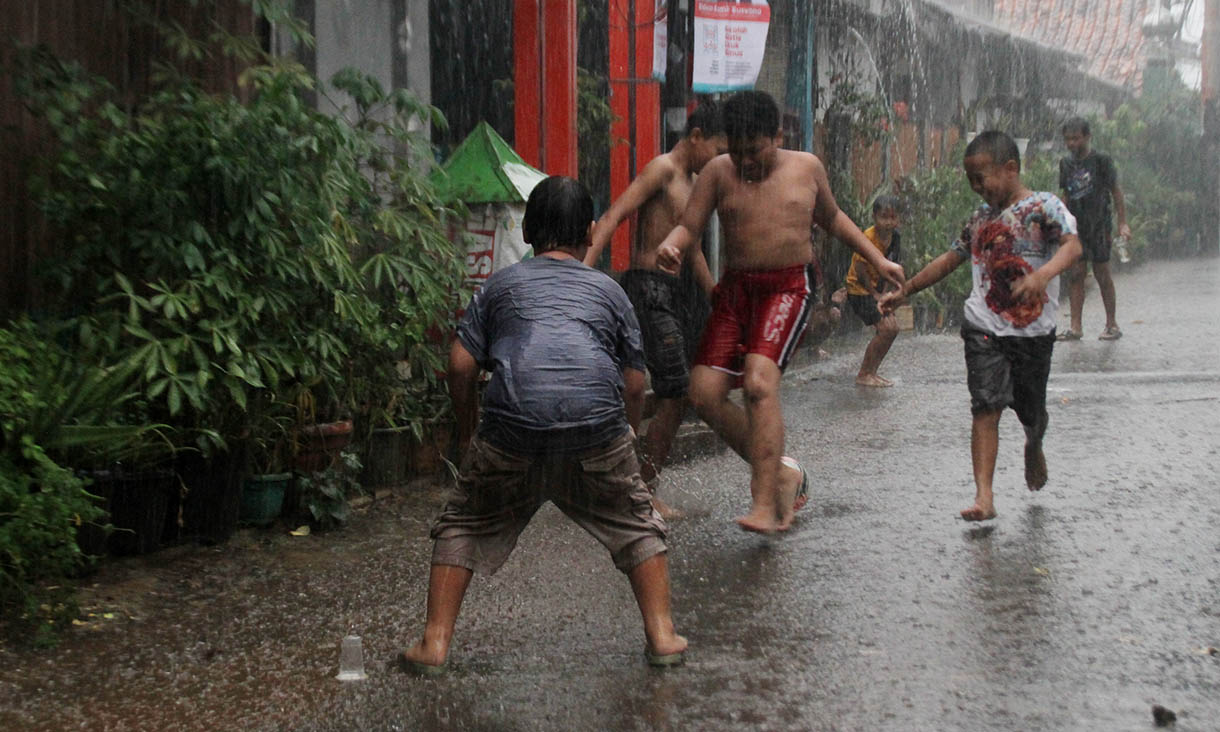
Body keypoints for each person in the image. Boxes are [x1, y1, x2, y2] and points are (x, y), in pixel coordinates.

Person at [400, 176, 685, 674]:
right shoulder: (609, 290)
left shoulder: (500, 285)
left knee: (465, 520)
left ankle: (434, 643)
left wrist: (468, 433)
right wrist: (626, 443)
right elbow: (635, 384)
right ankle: (662, 635)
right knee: (637, 519)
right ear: (592, 232)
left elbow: (461, 367)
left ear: (529, 231)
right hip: (596, 431)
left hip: (511, 430)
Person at [656, 90, 905, 534]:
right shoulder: (717, 172)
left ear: (777, 135)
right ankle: (783, 474)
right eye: (738, 151)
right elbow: (689, 225)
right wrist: (673, 245)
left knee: (758, 383)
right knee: (704, 393)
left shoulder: (806, 168)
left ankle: (765, 500)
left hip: (788, 287)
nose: (746, 162)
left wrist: (877, 258)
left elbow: (833, 219)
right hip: (736, 292)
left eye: (755, 151)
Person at [879, 131, 1082, 521]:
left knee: (1030, 411)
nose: (976, 188)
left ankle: (1033, 441)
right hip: (984, 327)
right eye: (970, 180)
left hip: (1033, 333)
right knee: (985, 407)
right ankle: (984, 496)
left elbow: (1073, 247)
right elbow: (951, 258)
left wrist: (1041, 277)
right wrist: (907, 291)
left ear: (1010, 169)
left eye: (981, 178)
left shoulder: (1045, 206)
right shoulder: (979, 219)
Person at [582, 101, 727, 519]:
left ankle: (635, 481)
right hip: (649, 289)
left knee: (688, 389)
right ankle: (643, 492)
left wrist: (712, 292)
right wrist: (578, 279)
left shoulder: (696, 180)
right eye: (717, 150)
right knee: (675, 390)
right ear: (696, 137)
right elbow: (613, 216)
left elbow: (693, 245)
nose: (719, 161)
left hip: (680, 291)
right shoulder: (662, 168)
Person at [1058, 117, 1130, 341]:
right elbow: (1066, 195)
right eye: (1068, 139)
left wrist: (1122, 223)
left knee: (1102, 273)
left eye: (1076, 138)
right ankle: (1075, 326)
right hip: (1076, 227)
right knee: (1076, 274)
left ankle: (1112, 324)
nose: (1072, 143)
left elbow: (1116, 191)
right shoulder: (1066, 164)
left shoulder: (1101, 161)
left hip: (1099, 224)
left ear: (1088, 137)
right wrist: (1060, 223)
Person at [844, 194, 903, 387]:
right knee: (886, 329)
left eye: (892, 217)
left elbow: (890, 267)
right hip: (859, 289)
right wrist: (874, 294)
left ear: (898, 218)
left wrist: (885, 293)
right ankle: (864, 374)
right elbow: (860, 271)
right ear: (874, 217)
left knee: (893, 328)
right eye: (883, 217)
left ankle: (872, 372)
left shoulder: (895, 237)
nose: (888, 222)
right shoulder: (868, 238)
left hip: (877, 289)